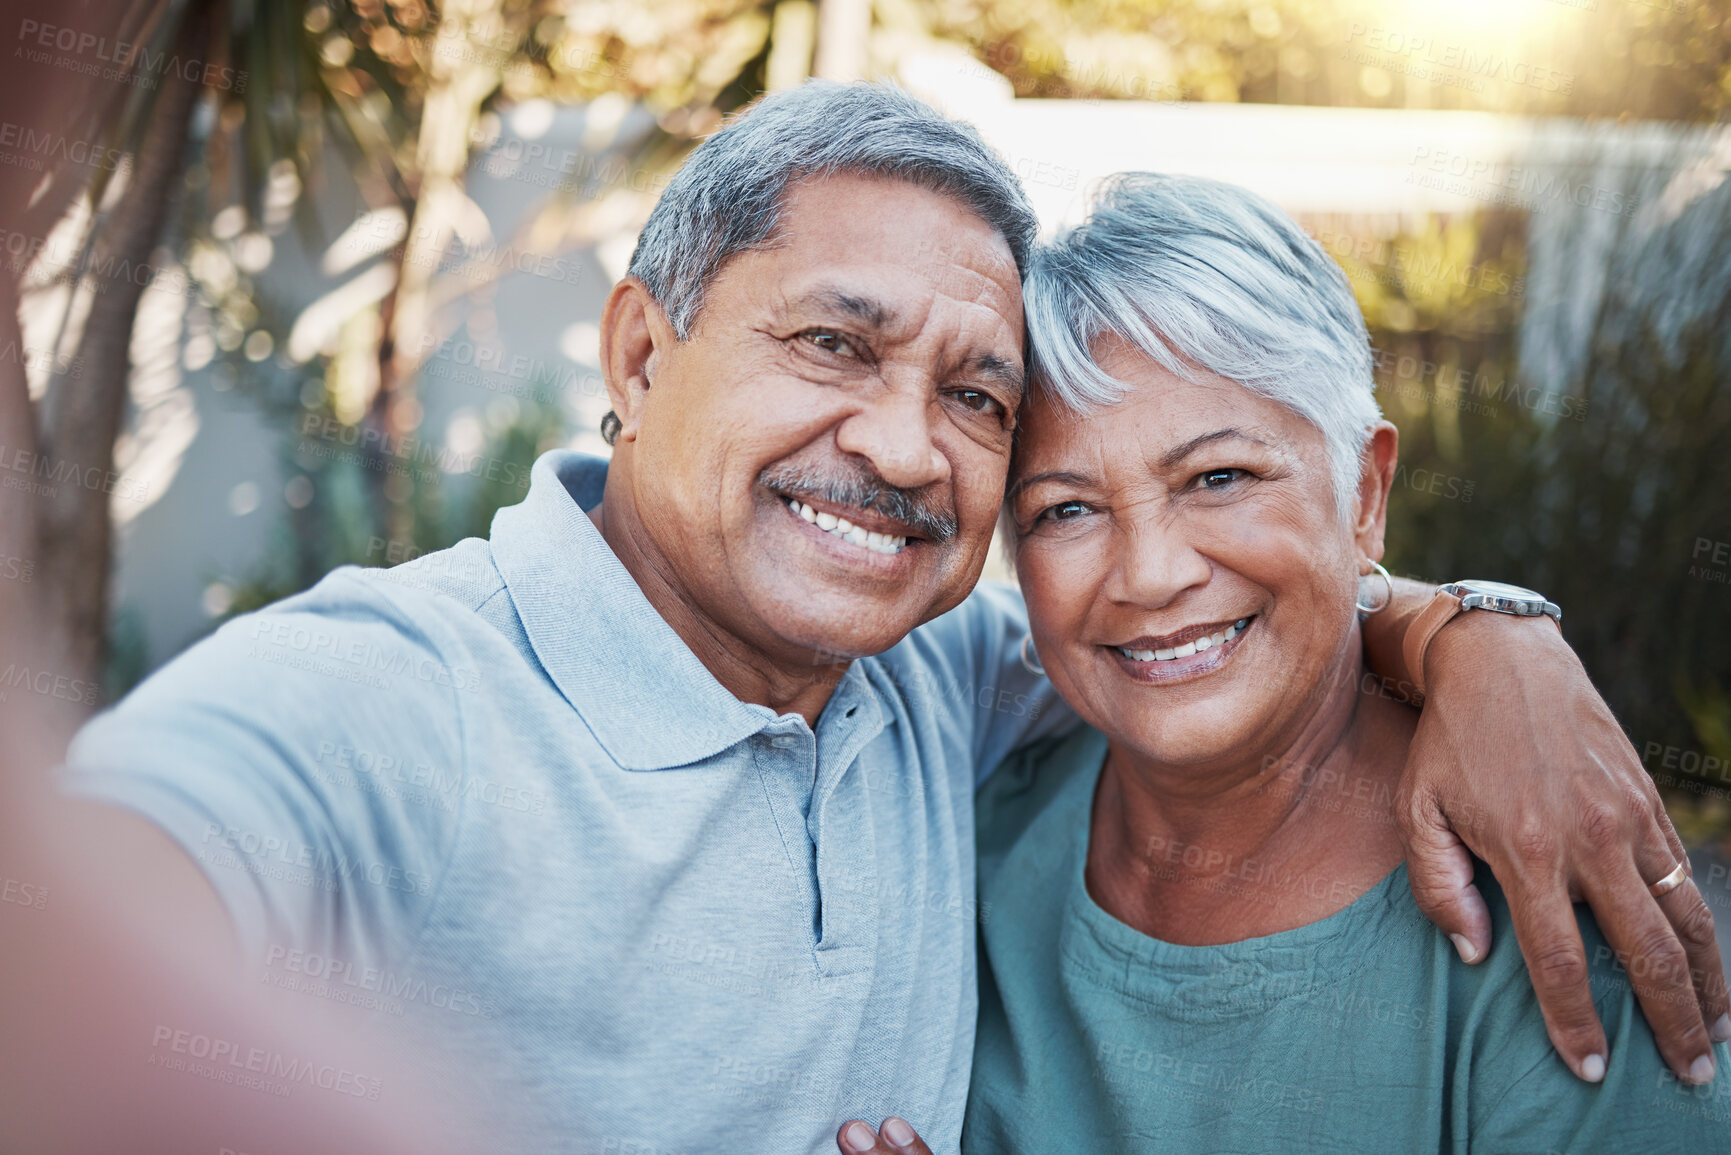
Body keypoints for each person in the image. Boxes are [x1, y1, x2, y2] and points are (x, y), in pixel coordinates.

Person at [29, 84, 1722, 1153]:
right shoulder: (391, 701)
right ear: (637, 357)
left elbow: (1229, 608)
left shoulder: (937, 682)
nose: (906, 447)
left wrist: (1482, 637)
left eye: (976, 400)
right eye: (832, 346)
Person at [942, 173, 1729, 1152]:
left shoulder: (1546, 897)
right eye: (1065, 509)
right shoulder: (963, 834)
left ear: (1365, 497)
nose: (1147, 575)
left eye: (1219, 477)